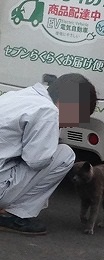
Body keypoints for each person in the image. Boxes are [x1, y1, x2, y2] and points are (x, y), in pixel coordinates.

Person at [0, 73, 97, 235]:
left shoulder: (21, 96)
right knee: (65, 155)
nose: (75, 124)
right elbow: (37, 161)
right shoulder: (48, 112)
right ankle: (14, 215)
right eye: (78, 116)